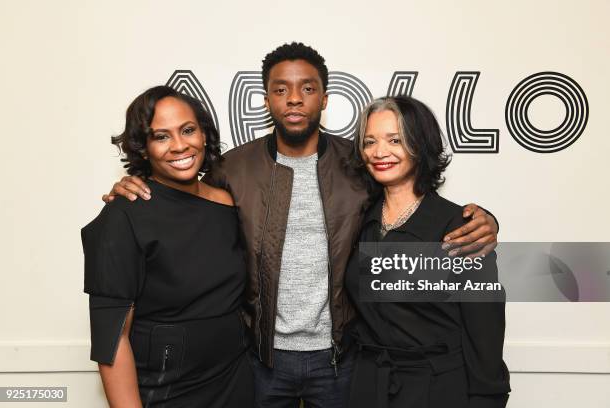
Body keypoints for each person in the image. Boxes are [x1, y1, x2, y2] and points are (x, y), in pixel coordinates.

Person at [102, 43, 499, 408]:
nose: (294, 98)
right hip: (259, 361)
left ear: (325, 98)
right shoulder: (232, 170)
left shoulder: (358, 165)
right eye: (281, 90)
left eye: (307, 88)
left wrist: (483, 220)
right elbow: (186, 203)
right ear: (265, 100)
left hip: (342, 361)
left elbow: (410, 203)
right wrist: (135, 184)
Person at [82, 86, 253, 407]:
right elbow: (111, 340)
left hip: (235, 383)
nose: (179, 145)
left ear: (203, 134)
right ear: (143, 148)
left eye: (188, 130)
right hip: (167, 391)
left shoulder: (227, 202)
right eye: (161, 136)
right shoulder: (123, 214)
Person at [344, 96, 510, 408]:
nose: (379, 152)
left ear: (419, 144)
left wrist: (487, 399)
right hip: (368, 386)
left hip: (438, 390)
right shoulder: (359, 220)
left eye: (395, 140)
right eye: (369, 141)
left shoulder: (461, 228)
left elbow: (484, 334)